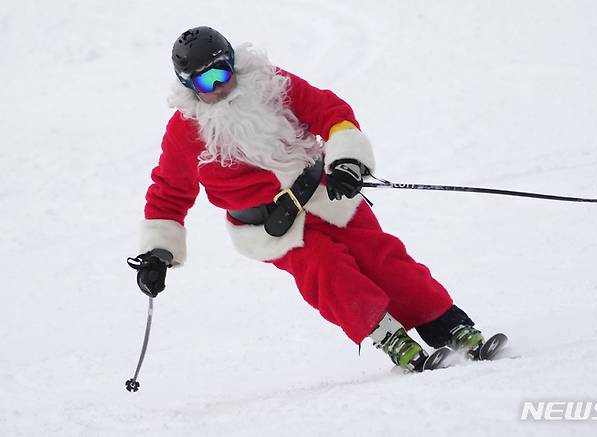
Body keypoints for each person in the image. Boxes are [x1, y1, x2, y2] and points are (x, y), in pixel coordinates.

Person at [128, 26, 488, 372]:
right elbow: (168, 192)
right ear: (189, 87)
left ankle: (447, 324)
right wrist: (158, 254)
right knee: (325, 268)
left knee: (381, 256)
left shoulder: (272, 85)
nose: (220, 87)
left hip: (323, 194)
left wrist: (346, 161)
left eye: (223, 72)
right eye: (206, 82)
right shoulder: (185, 132)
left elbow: (330, 112)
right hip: (273, 227)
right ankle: (387, 335)